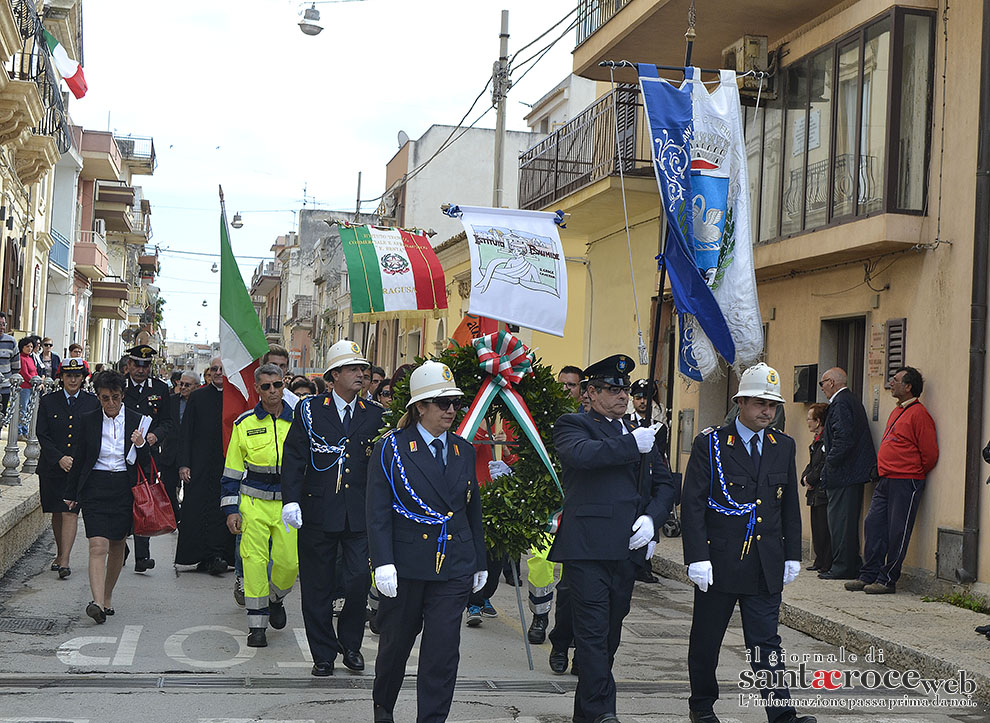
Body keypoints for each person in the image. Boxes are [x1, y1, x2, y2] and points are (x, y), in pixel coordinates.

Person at [681, 362, 815, 723]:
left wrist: (791, 555)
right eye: (759, 404)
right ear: (740, 402)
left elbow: (788, 503)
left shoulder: (782, 445)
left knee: (766, 642)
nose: (767, 412)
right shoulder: (710, 443)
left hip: (764, 562)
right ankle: (702, 707)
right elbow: (693, 505)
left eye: (772, 405)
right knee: (707, 640)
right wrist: (697, 556)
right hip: (721, 560)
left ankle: (782, 713)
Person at [550, 354, 676, 723]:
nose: (622, 396)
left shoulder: (640, 433)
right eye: (613, 389)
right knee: (591, 633)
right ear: (591, 392)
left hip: (627, 549)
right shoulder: (574, 424)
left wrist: (652, 520)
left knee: (609, 634)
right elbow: (582, 456)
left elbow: (664, 484)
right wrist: (629, 446)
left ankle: (587, 714)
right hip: (588, 547)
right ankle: (604, 712)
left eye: (625, 389)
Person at [367, 360, 487, 723]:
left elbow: (471, 509)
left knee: (442, 651)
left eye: (454, 402)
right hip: (407, 564)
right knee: (396, 645)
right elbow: (377, 510)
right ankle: (383, 705)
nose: (451, 409)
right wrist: (382, 561)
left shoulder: (462, 450)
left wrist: (479, 559)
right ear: (420, 407)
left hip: (453, 564)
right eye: (442, 402)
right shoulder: (392, 448)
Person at [282, 339, 384, 676]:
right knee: (317, 586)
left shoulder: (376, 415)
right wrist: (292, 500)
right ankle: (323, 653)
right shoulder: (310, 410)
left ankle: (351, 645)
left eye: (363, 369)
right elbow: (295, 458)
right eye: (353, 368)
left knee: (357, 582)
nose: (362, 374)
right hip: (317, 511)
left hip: (358, 514)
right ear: (334, 374)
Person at [63, 371, 151, 624]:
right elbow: (79, 458)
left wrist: (142, 444)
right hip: (95, 487)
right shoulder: (88, 420)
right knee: (97, 544)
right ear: (98, 397)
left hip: (124, 487)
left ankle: (107, 596)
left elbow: (146, 464)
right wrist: (71, 493)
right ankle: (97, 602)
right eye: (104, 398)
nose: (110, 403)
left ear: (122, 396)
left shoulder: (136, 420)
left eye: (114, 397)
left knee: (117, 546)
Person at [220, 363, 297, 648]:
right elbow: (231, 471)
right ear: (257, 390)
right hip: (252, 503)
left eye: (277, 384)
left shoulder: (298, 422)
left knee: (289, 563)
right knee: (254, 562)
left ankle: (274, 598)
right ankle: (257, 625)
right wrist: (231, 510)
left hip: (288, 506)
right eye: (266, 386)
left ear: (283, 384)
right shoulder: (244, 424)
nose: (273, 391)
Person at [847, 367, 938, 595]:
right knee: (873, 525)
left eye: (896, 380)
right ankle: (868, 574)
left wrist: (912, 471)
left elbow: (929, 454)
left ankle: (887, 579)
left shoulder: (919, 414)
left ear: (908, 387)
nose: (891, 383)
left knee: (898, 531)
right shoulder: (897, 411)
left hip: (905, 480)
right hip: (886, 479)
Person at [526, 365, 582, 667]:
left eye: (572, 385)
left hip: (579, 506)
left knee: (573, 580)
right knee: (540, 563)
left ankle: (569, 635)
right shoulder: (546, 418)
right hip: (549, 504)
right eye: (561, 385)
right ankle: (540, 617)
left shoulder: (591, 421)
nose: (566, 390)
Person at [36, 358, 100, 579]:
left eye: (77, 375)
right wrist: (59, 458)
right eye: (69, 375)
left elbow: (93, 435)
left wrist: (77, 460)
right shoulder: (48, 401)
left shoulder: (92, 402)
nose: (73, 379)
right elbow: (42, 434)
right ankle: (60, 552)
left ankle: (65, 560)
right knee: (56, 511)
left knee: (70, 511)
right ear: (61, 377)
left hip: (78, 468)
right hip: (53, 467)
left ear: (83, 378)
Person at [176, 362, 233, 574]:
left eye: (222, 369)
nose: (219, 373)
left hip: (227, 463)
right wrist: (184, 463)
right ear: (208, 373)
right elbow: (186, 431)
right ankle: (200, 555)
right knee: (197, 508)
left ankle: (218, 555)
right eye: (215, 369)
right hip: (199, 463)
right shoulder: (198, 397)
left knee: (222, 508)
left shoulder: (235, 397)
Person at [818, 367, 875, 580]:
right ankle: (849, 564)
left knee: (841, 522)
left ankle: (843, 567)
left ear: (831, 382)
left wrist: (829, 463)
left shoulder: (841, 403)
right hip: (850, 473)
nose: (822, 388)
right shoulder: (849, 400)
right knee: (845, 521)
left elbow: (843, 438)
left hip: (844, 474)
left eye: (822, 383)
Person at [122, 344, 174, 573]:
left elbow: (169, 422)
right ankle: (119, 544)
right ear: (129, 365)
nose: (141, 370)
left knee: (144, 501)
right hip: (120, 453)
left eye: (146, 365)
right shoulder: (118, 386)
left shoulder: (161, 389)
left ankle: (142, 556)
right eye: (137, 365)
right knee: (120, 500)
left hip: (147, 455)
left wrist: (156, 435)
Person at [159, 371, 198, 522]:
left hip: (192, 454)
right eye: (180, 384)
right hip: (171, 452)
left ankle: (187, 519)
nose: (182, 387)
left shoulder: (200, 402)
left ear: (196, 386)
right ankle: (176, 516)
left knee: (190, 490)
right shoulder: (171, 401)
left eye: (187, 385)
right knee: (168, 488)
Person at [801, 403, 831, 572]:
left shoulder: (826, 439)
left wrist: (811, 478)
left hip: (821, 490)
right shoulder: (816, 441)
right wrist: (804, 478)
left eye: (810, 419)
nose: (807, 422)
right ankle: (819, 560)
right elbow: (811, 463)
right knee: (816, 527)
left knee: (823, 527)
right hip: (813, 490)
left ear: (818, 421)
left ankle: (826, 562)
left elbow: (822, 464)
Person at [264, 344, 300, 409]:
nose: (277, 369)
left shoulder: (294, 402)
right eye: (273, 365)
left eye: (282, 366)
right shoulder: (252, 396)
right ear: (263, 366)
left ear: (286, 369)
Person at [17, 337, 39, 438]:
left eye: (31, 346)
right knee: (23, 408)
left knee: (29, 409)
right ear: (22, 347)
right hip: (24, 386)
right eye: (27, 346)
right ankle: (19, 431)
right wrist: (33, 380)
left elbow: (34, 371)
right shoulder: (21, 358)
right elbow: (25, 373)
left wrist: (38, 380)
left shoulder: (30, 358)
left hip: (32, 387)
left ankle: (25, 430)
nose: (29, 348)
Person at [0, 312, 19, 414]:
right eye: (0, 324)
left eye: (4, 324)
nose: (2, 327)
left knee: (1, 418)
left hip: (4, 388)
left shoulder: (11, 342)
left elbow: (16, 366)